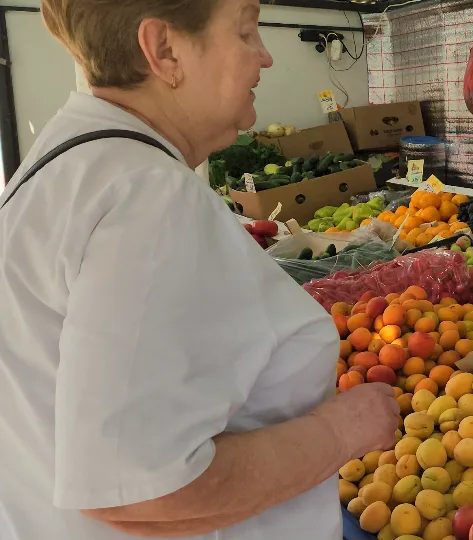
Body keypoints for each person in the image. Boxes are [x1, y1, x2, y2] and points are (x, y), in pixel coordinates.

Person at [0, 1, 400, 539]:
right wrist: (344, 430)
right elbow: (143, 491)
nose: (265, 58)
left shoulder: (64, 166)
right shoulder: (149, 197)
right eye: (245, 30)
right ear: (164, 50)